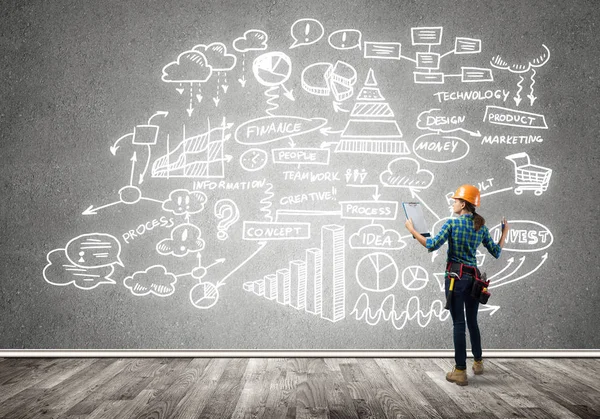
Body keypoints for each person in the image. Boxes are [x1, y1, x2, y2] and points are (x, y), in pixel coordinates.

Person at [404, 185, 509, 386]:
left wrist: (412, 230)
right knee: (473, 322)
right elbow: (496, 251)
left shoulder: (451, 224)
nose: (453, 204)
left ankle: (460, 370)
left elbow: (431, 245)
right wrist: (504, 233)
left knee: (458, 323)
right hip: (475, 281)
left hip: (455, 279)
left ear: (463, 204)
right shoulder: (481, 227)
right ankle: (478, 362)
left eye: (455, 201)